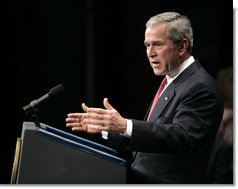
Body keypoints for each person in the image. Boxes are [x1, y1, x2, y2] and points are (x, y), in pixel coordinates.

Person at [65, 12, 224, 184]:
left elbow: (182, 137)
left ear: (182, 46)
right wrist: (109, 128)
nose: (150, 53)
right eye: (147, 45)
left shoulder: (200, 86)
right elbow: (152, 141)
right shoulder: (171, 80)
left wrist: (126, 125)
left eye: (157, 44)